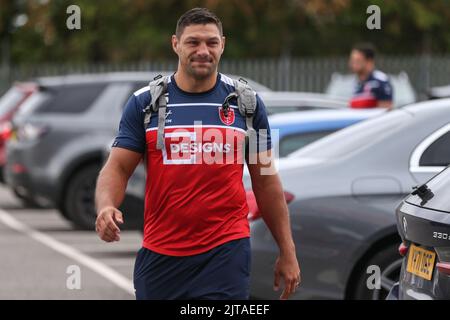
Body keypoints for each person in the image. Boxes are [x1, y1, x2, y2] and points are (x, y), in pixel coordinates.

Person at [95, 7, 300, 300]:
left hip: (226, 252)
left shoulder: (249, 105)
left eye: (211, 42)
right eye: (193, 42)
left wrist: (287, 250)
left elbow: (266, 181)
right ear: (175, 44)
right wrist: (106, 206)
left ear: (223, 45)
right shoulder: (145, 103)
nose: (203, 50)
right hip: (161, 253)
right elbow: (117, 168)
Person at [348, 42, 393, 109]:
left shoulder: (380, 81)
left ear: (369, 61)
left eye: (357, 60)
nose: (353, 64)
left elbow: (386, 111)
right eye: (352, 60)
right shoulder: (356, 83)